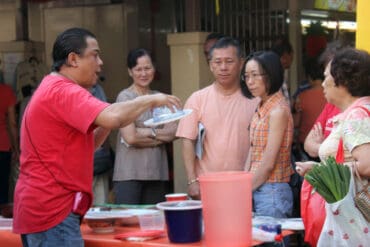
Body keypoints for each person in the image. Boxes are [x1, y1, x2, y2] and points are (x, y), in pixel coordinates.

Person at [12, 28, 181, 247]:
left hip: (45, 210)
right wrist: (150, 100)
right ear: (73, 59)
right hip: (52, 211)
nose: (100, 62)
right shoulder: (63, 90)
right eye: (94, 55)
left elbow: (90, 143)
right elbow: (112, 117)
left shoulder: (54, 87)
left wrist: (108, 118)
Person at [296, 48, 370, 245]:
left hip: (355, 218)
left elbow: (366, 165)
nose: (323, 83)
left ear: (342, 82)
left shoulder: (356, 116)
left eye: (327, 76)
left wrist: (325, 171)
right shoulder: (360, 110)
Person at [176, 37, 259, 199]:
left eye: (229, 61)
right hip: (207, 183)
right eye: (217, 62)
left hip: (246, 184)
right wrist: (192, 180)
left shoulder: (255, 100)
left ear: (241, 63)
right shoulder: (197, 99)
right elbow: (187, 141)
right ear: (210, 65)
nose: (223, 68)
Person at [113, 48, 177, 204]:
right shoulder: (125, 97)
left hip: (157, 172)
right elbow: (131, 137)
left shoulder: (161, 98)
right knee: (128, 222)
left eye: (147, 68)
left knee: (154, 222)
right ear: (130, 71)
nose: (144, 73)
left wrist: (144, 131)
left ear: (154, 69)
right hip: (129, 173)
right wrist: (158, 136)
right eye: (138, 69)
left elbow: (173, 133)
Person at [241, 51, 294, 219]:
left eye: (255, 75)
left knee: (273, 243)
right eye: (247, 76)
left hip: (272, 190)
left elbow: (268, 163)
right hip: (258, 186)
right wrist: (244, 182)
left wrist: (244, 189)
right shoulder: (262, 105)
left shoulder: (278, 110)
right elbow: (253, 149)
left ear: (271, 75)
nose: (250, 82)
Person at [91, 81, 113, 205]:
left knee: (101, 205)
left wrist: (107, 154)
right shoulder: (66, 90)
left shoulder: (97, 89)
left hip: (99, 160)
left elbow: (107, 122)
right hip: (76, 164)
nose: (99, 64)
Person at [0, 83, 18, 205]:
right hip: (3, 145)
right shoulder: (6, 91)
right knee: (2, 185)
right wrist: (16, 148)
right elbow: (12, 123)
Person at [271, 36, 294, 103]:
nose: (292, 60)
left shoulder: (274, 74)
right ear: (285, 56)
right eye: (291, 56)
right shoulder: (278, 79)